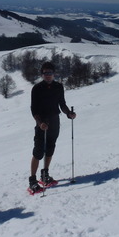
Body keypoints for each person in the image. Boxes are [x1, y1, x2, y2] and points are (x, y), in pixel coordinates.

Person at [28, 62, 77, 194]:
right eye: (45, 73)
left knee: (50, 149)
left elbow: (62, 104)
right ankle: (32, 181)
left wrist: (68, 113)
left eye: (50, 73)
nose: (48, 75)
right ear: (42, 74)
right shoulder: (37, 88)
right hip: (42, 123)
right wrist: (39, 123)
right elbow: (33, 109)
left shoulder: (58, 86)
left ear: (54, 73)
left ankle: (45, 174)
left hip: (55, 121)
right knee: (38, 152)